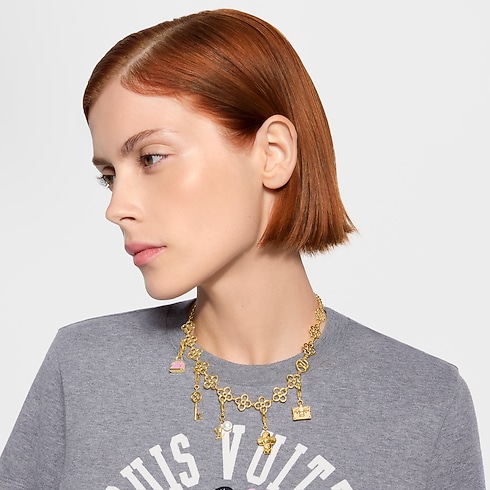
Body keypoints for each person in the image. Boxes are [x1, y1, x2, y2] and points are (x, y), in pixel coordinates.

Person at [0, 8, 485, 490]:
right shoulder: (82, 370)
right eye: (109, 177)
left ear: (272, 154)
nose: (117, 208)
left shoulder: (425, 403)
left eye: (151, 158)